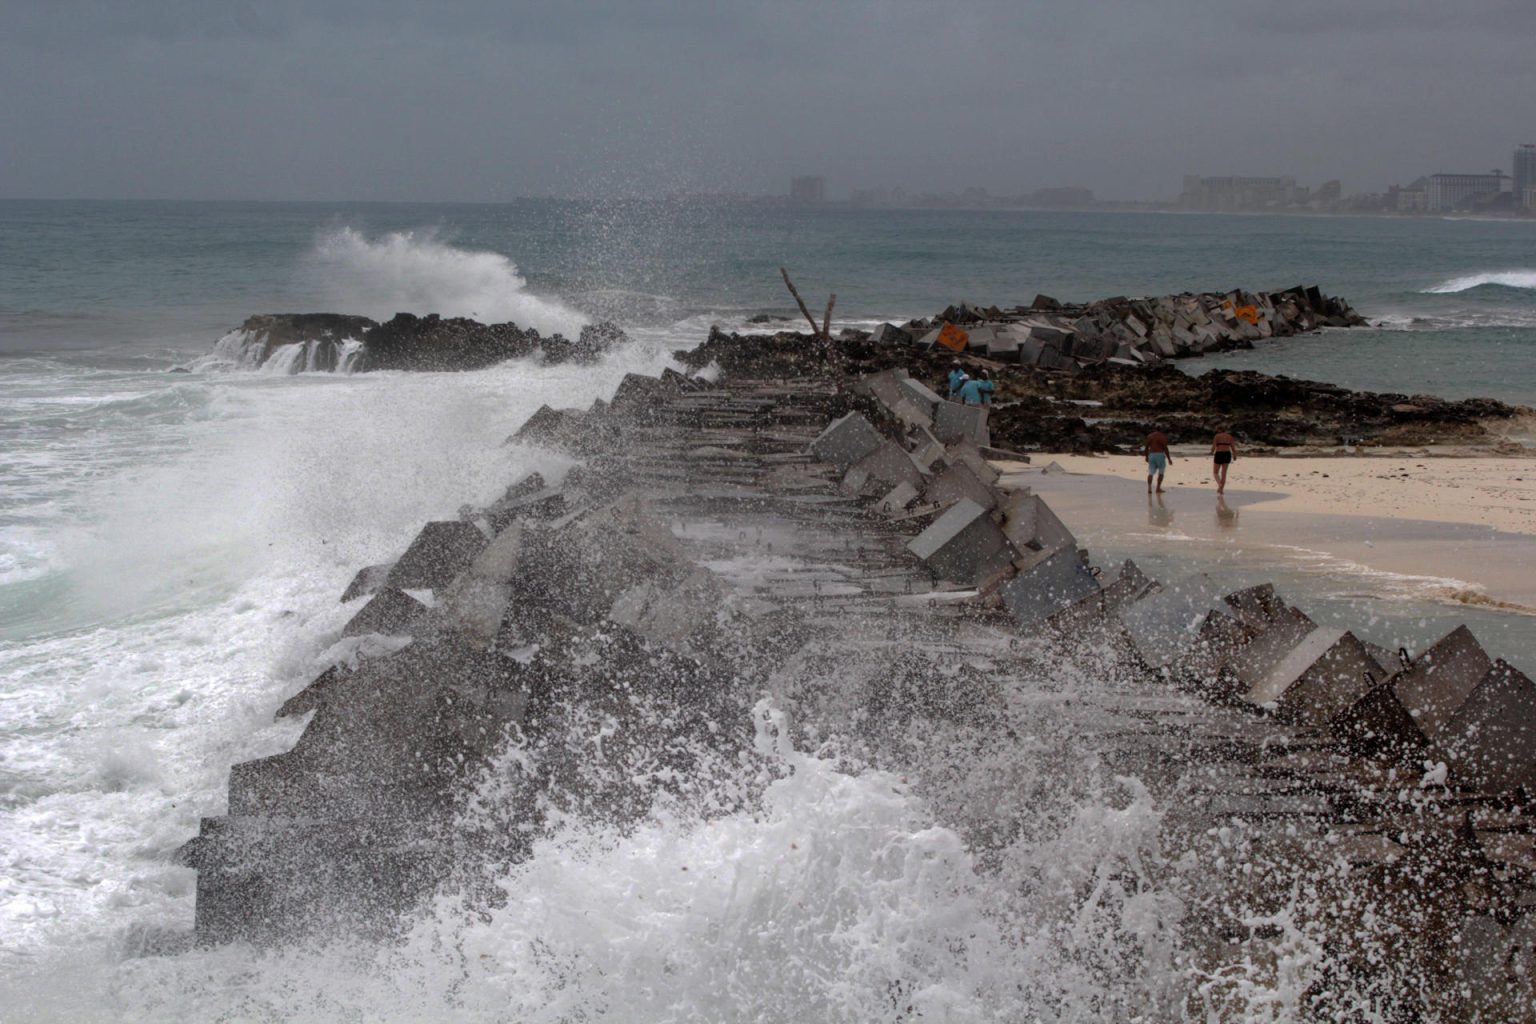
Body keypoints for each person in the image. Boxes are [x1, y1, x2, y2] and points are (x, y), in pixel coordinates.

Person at [1143, 429, 1171, 493]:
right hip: (1160, 455)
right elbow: (1165, 448)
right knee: (1161, 472)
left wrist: (1146, 456)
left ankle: (1149, 488)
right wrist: (1169, 458)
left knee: (1150, 473)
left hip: (1151, 455)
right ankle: (1158, 488)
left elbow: (1146, 447)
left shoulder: (1150, 436)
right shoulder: (1162, 436)